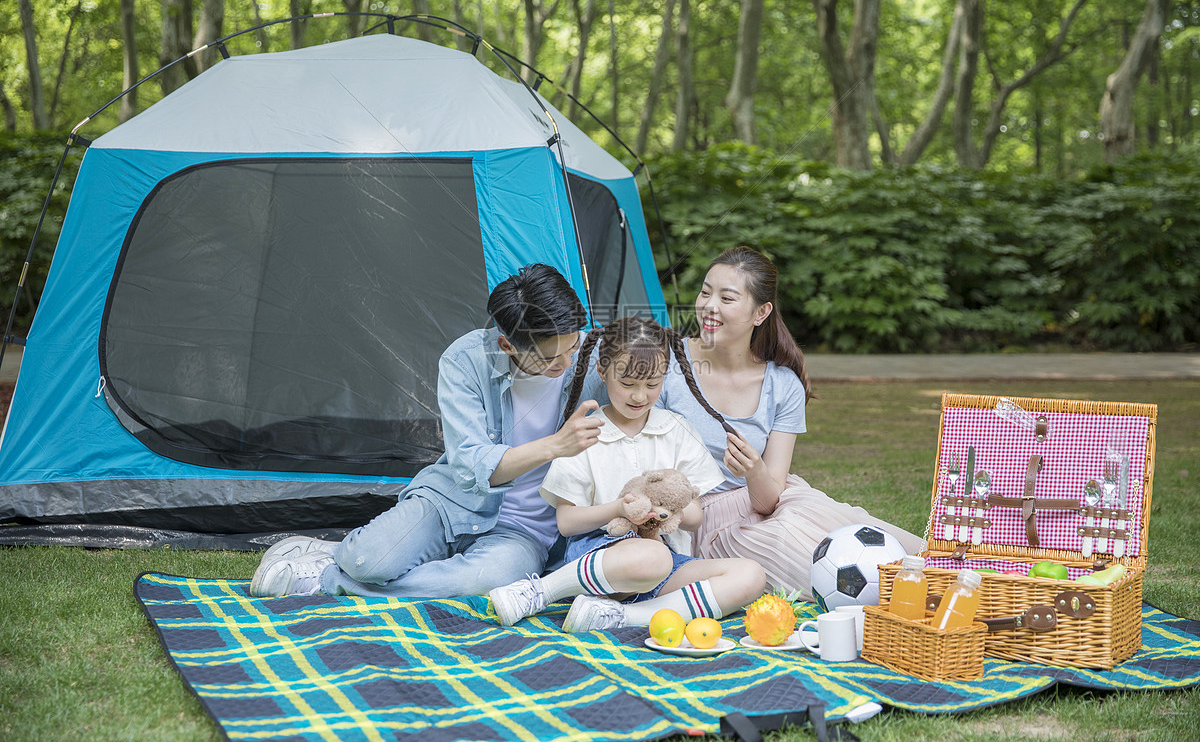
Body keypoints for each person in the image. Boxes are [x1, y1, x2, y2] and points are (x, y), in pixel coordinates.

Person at [249, 263, 605, 598]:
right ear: (507, 345)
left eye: (572, 345)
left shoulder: (595, 355)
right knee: (368, 562)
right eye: (547, 358)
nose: (566, 362)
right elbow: (471, 465)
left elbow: (657, 377)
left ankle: (330, 574)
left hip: (525, 532)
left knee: (487, 581)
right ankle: (353, 557)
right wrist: (555, 446)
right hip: (451, 502)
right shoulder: (466, 360)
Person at [658, 246, 922, 600]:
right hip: (704, 520)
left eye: (727, 297)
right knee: (809, 558)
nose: (709, 306)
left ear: (761, 312)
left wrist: (754, 471)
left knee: (869, 533)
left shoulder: (782, 384)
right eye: (705, 292)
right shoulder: (667, 365)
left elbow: (769, 499)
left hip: (772, 500)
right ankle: (916, 606)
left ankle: (985, 582)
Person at [488, 316, 766, 632]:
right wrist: (620, 509)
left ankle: (622, 617)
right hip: (601, 553)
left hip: (665, 562)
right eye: (628, 384)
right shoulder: (585, 434)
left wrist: (661, 510)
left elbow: (694, 517)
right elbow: (567, 523)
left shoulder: (676, 431)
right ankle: (542, 592)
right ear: (603, 372)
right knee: (652, 557)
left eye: (652, 384)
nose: (639, 396)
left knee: (750, 575)